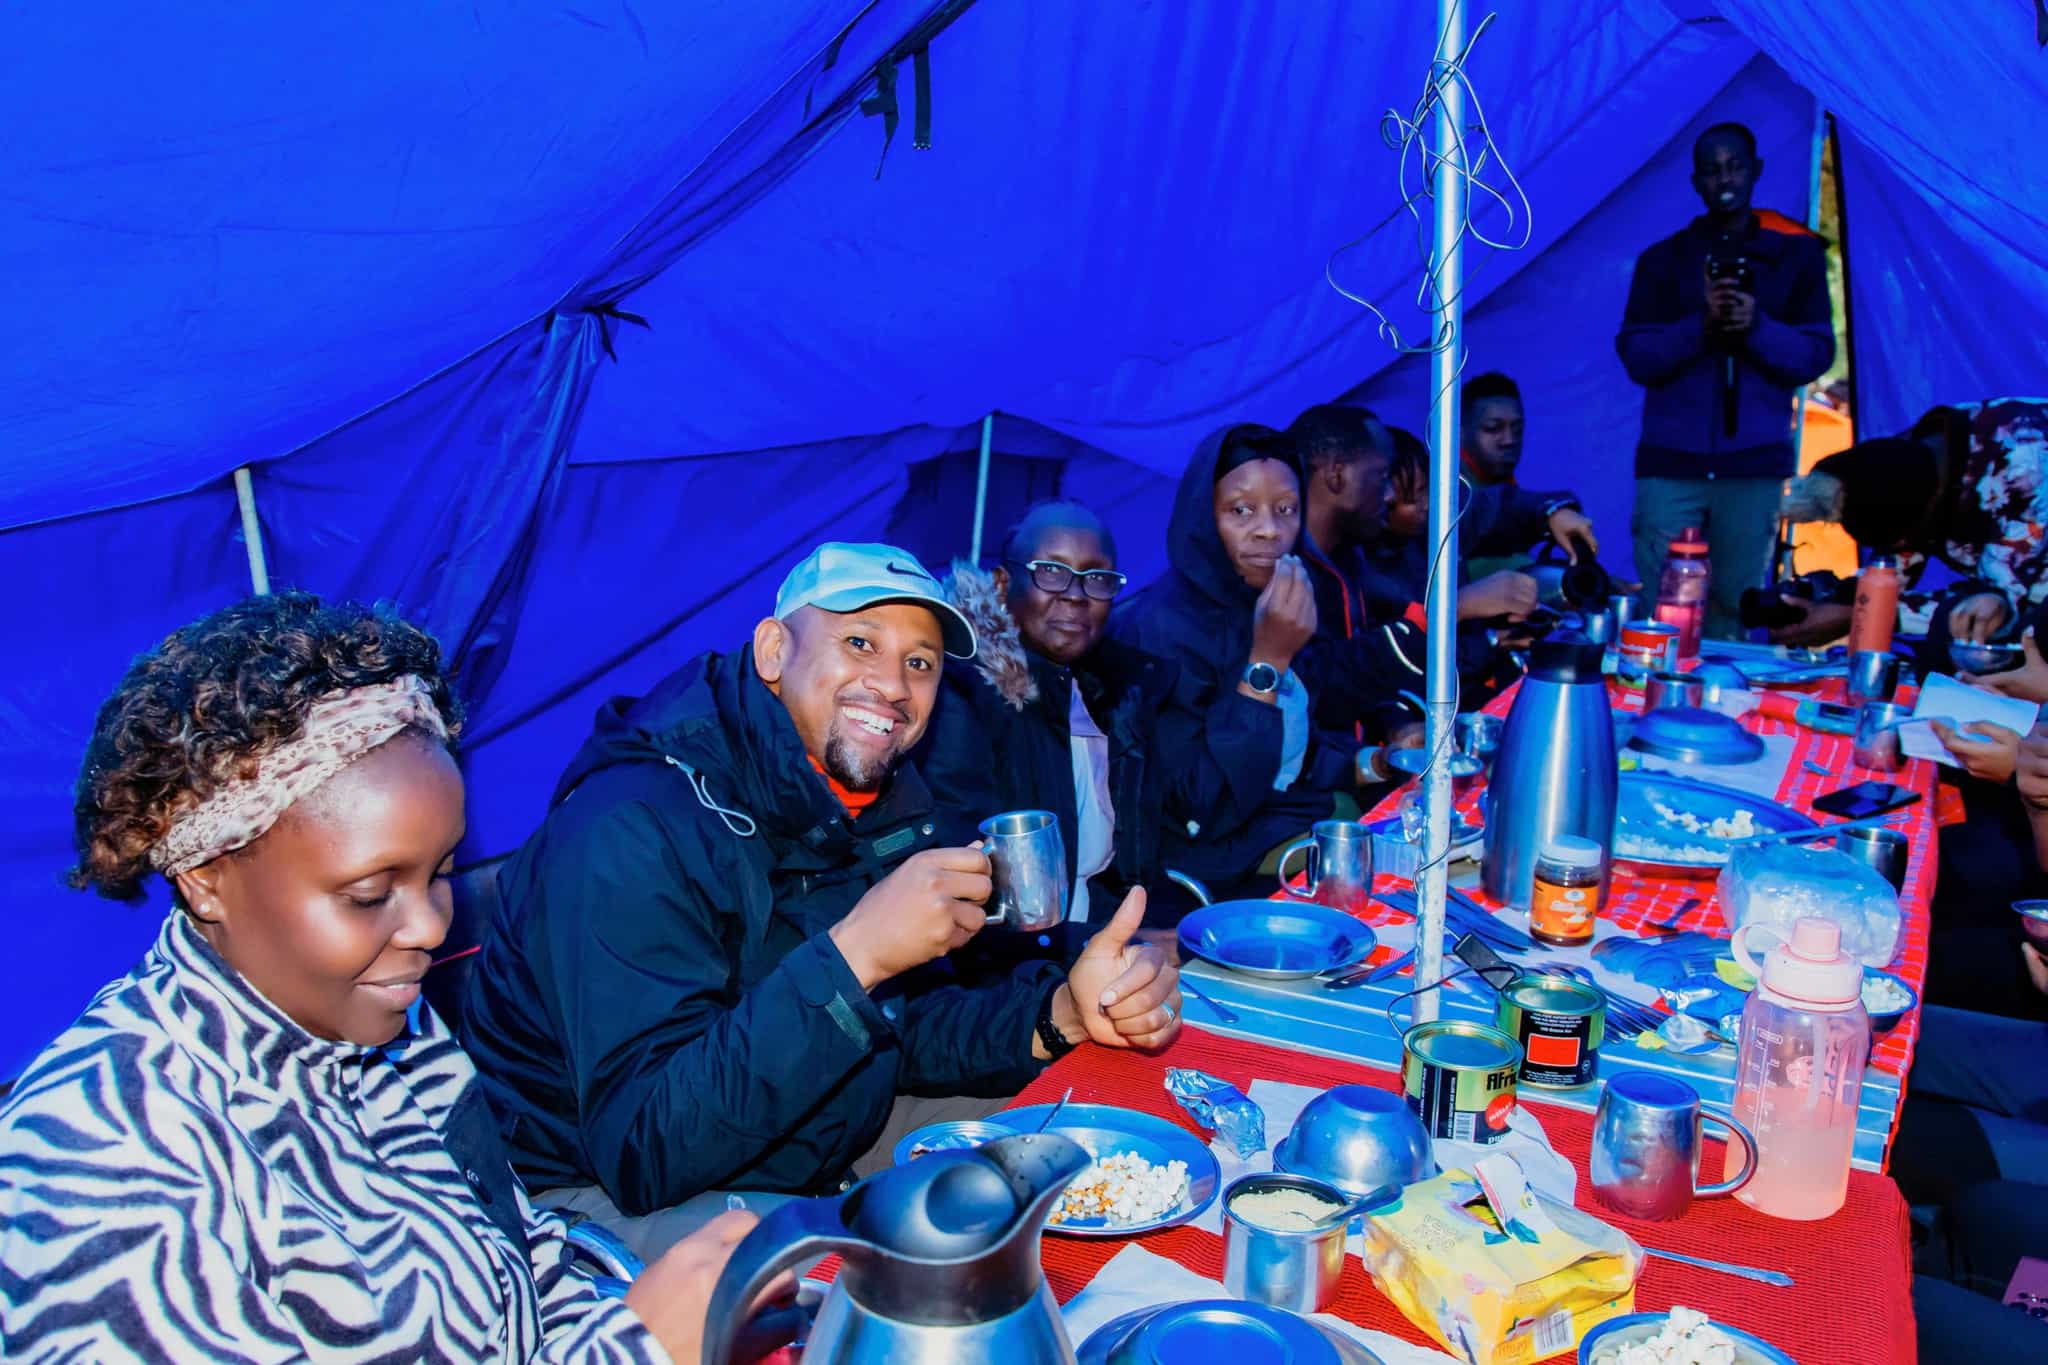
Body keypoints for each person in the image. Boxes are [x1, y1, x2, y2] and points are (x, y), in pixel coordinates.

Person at [0, 593, 752, 1364]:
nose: (430, 926)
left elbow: (522, 1266)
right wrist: (635, 1349)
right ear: (205, 878)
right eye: (368, 894)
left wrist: (645, 1307)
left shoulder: (379, 1015)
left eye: (442, 872)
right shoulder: (99, 1174)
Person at [460, 543, 1181, 1261]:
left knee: (1072, 1156)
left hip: (802, 1118)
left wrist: (1054, 1015)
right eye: (860, 642)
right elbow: (647, 1147)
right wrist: (856, 956)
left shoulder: (873, 804)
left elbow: (897, 1026)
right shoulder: (630, 827)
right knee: (911, 1291)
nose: (893, 685)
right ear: (774, 651)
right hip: (592, 1198)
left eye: (920, 662)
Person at [920, 501, 1273, 934]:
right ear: (1001, 585)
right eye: (1051, 570)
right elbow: (973, 904)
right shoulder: (963, 701)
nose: (1075, 594)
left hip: (1112, 934)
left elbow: (1197, 809)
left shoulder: (1117, 692)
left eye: (1097, 578)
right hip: (1028, 969)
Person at [1109, 423, 1372, 897]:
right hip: (1209, 868)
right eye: (1241, 510)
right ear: (1204, 517)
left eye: (1286, 510)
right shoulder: (1159, 631)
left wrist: (1372, 761)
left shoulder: (1262, 599)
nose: (1269, 530)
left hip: (1278, 821)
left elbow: (1290, 745)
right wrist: (1266, 662)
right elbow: (1198, 809)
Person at [1617, 121, 1835, 640]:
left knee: (1735, 610)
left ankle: (1717, 713)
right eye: (1712, 170)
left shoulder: (1795, 256)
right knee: (1662, 606)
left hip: (1752, 468)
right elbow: (1637, 356)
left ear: (1755, 171)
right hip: (1672, 466)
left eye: (1735, 165)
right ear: (1696, 181)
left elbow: (1813, 354)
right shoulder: (1664, 262)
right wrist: (1702, 325)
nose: (1725, 179)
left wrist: (1755, 326)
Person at [1772, 397, 2048, 651]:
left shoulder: (2024, 465)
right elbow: (1899, 553)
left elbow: (1996, 603)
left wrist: (1859, 614)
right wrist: (1843, 599)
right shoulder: (1918, 461)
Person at [1460, 371, 1524, 488]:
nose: (1509, 440)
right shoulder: (1446, 488)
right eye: (1493, 428)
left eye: (1517, 430)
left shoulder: (1505, 482)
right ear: (1461, 433)